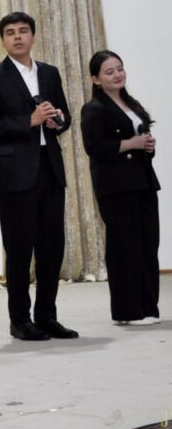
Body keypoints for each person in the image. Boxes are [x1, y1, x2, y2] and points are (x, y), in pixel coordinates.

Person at [0, 12, 77, 341]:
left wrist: (58, 120)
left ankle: (47, 316)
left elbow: (64, 115)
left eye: (23, 31)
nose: (17, 37)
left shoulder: (49, 72)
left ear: (33, 36)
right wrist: (29, 120)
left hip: (50, 167)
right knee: (19, 248)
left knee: (52, 246)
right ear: (3, 40)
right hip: (14, 173)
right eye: (10, 32)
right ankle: (19, 320)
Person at [80, 50, 160, 326]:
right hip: (115, 185)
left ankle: (148, 307)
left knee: (148, 243)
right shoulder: (93, 109)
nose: (117, 75)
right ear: (96, 79)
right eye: (109, 71)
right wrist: (130, 144)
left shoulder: (131, 103)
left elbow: (141, 140)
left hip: (143, 180)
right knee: (125, 246)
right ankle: (128, 311)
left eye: (120, 68)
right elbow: (94, 147)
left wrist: (147, 145)